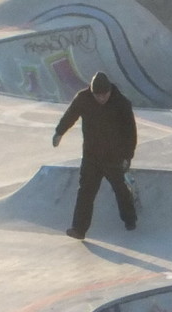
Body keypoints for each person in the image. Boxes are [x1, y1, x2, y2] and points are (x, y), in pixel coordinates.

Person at [52, 71, 137, 238]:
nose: (101, 99)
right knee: (86, 191)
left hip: (115, 157)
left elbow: (130, 133)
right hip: (91, 156)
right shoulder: (83, 98)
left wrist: (128, 157)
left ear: (110, 91)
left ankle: (130, 220)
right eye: (97, 96)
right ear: (92, 92)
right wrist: (59, 132)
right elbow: (70, 115)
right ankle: (79, 229)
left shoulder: (121, 103)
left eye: (104, 95)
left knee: (121, 190)